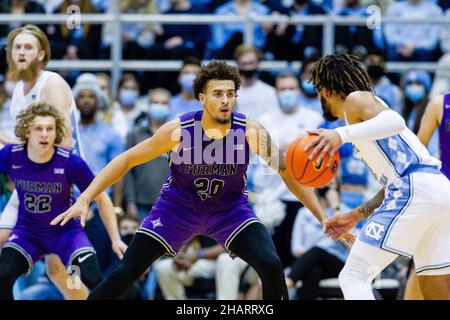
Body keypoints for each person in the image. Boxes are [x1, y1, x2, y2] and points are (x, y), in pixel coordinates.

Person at [52, 61, 353, 300]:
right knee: (127, 271)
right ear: (202, 98)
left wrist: (323, 216)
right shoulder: (178, 130)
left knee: (271, 264)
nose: (225, 100)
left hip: (230, 211)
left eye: (230, 94)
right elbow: (126, 160)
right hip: (176, 209)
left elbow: (287, 173)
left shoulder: (250, 130)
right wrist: (84, 198)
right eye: (217, 94)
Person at [306, 54, 450, 300]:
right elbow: (393, 184)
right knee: (433, 287)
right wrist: (354, 215)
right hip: (438, 190)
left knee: (353, 276)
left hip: (416, 188)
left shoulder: (356, 99)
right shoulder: (365, 124)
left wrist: (340, 134)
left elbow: (395, 120)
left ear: (326, 90)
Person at [0, 24, 91, 300]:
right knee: (55, 270)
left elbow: (62, 141)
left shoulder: (50, 83)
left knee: (59, 269)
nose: (22, 52)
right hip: (33, 183)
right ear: (9, 53)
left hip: (61, 183)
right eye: (17, 47)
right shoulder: (17, 90)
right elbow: (25, 146)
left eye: (28, 47)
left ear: (42, 54)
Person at [0, 102, 127, 300]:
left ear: (56, 132)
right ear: (27, 131)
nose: (44, 134)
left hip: (66, 233)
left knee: (93, 278)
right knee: (3, 275)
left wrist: (115, 238)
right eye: (38, 129)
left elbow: (102, 198)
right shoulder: (11, 155)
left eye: (49, 129)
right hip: (28, 233)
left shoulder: (70, 161)